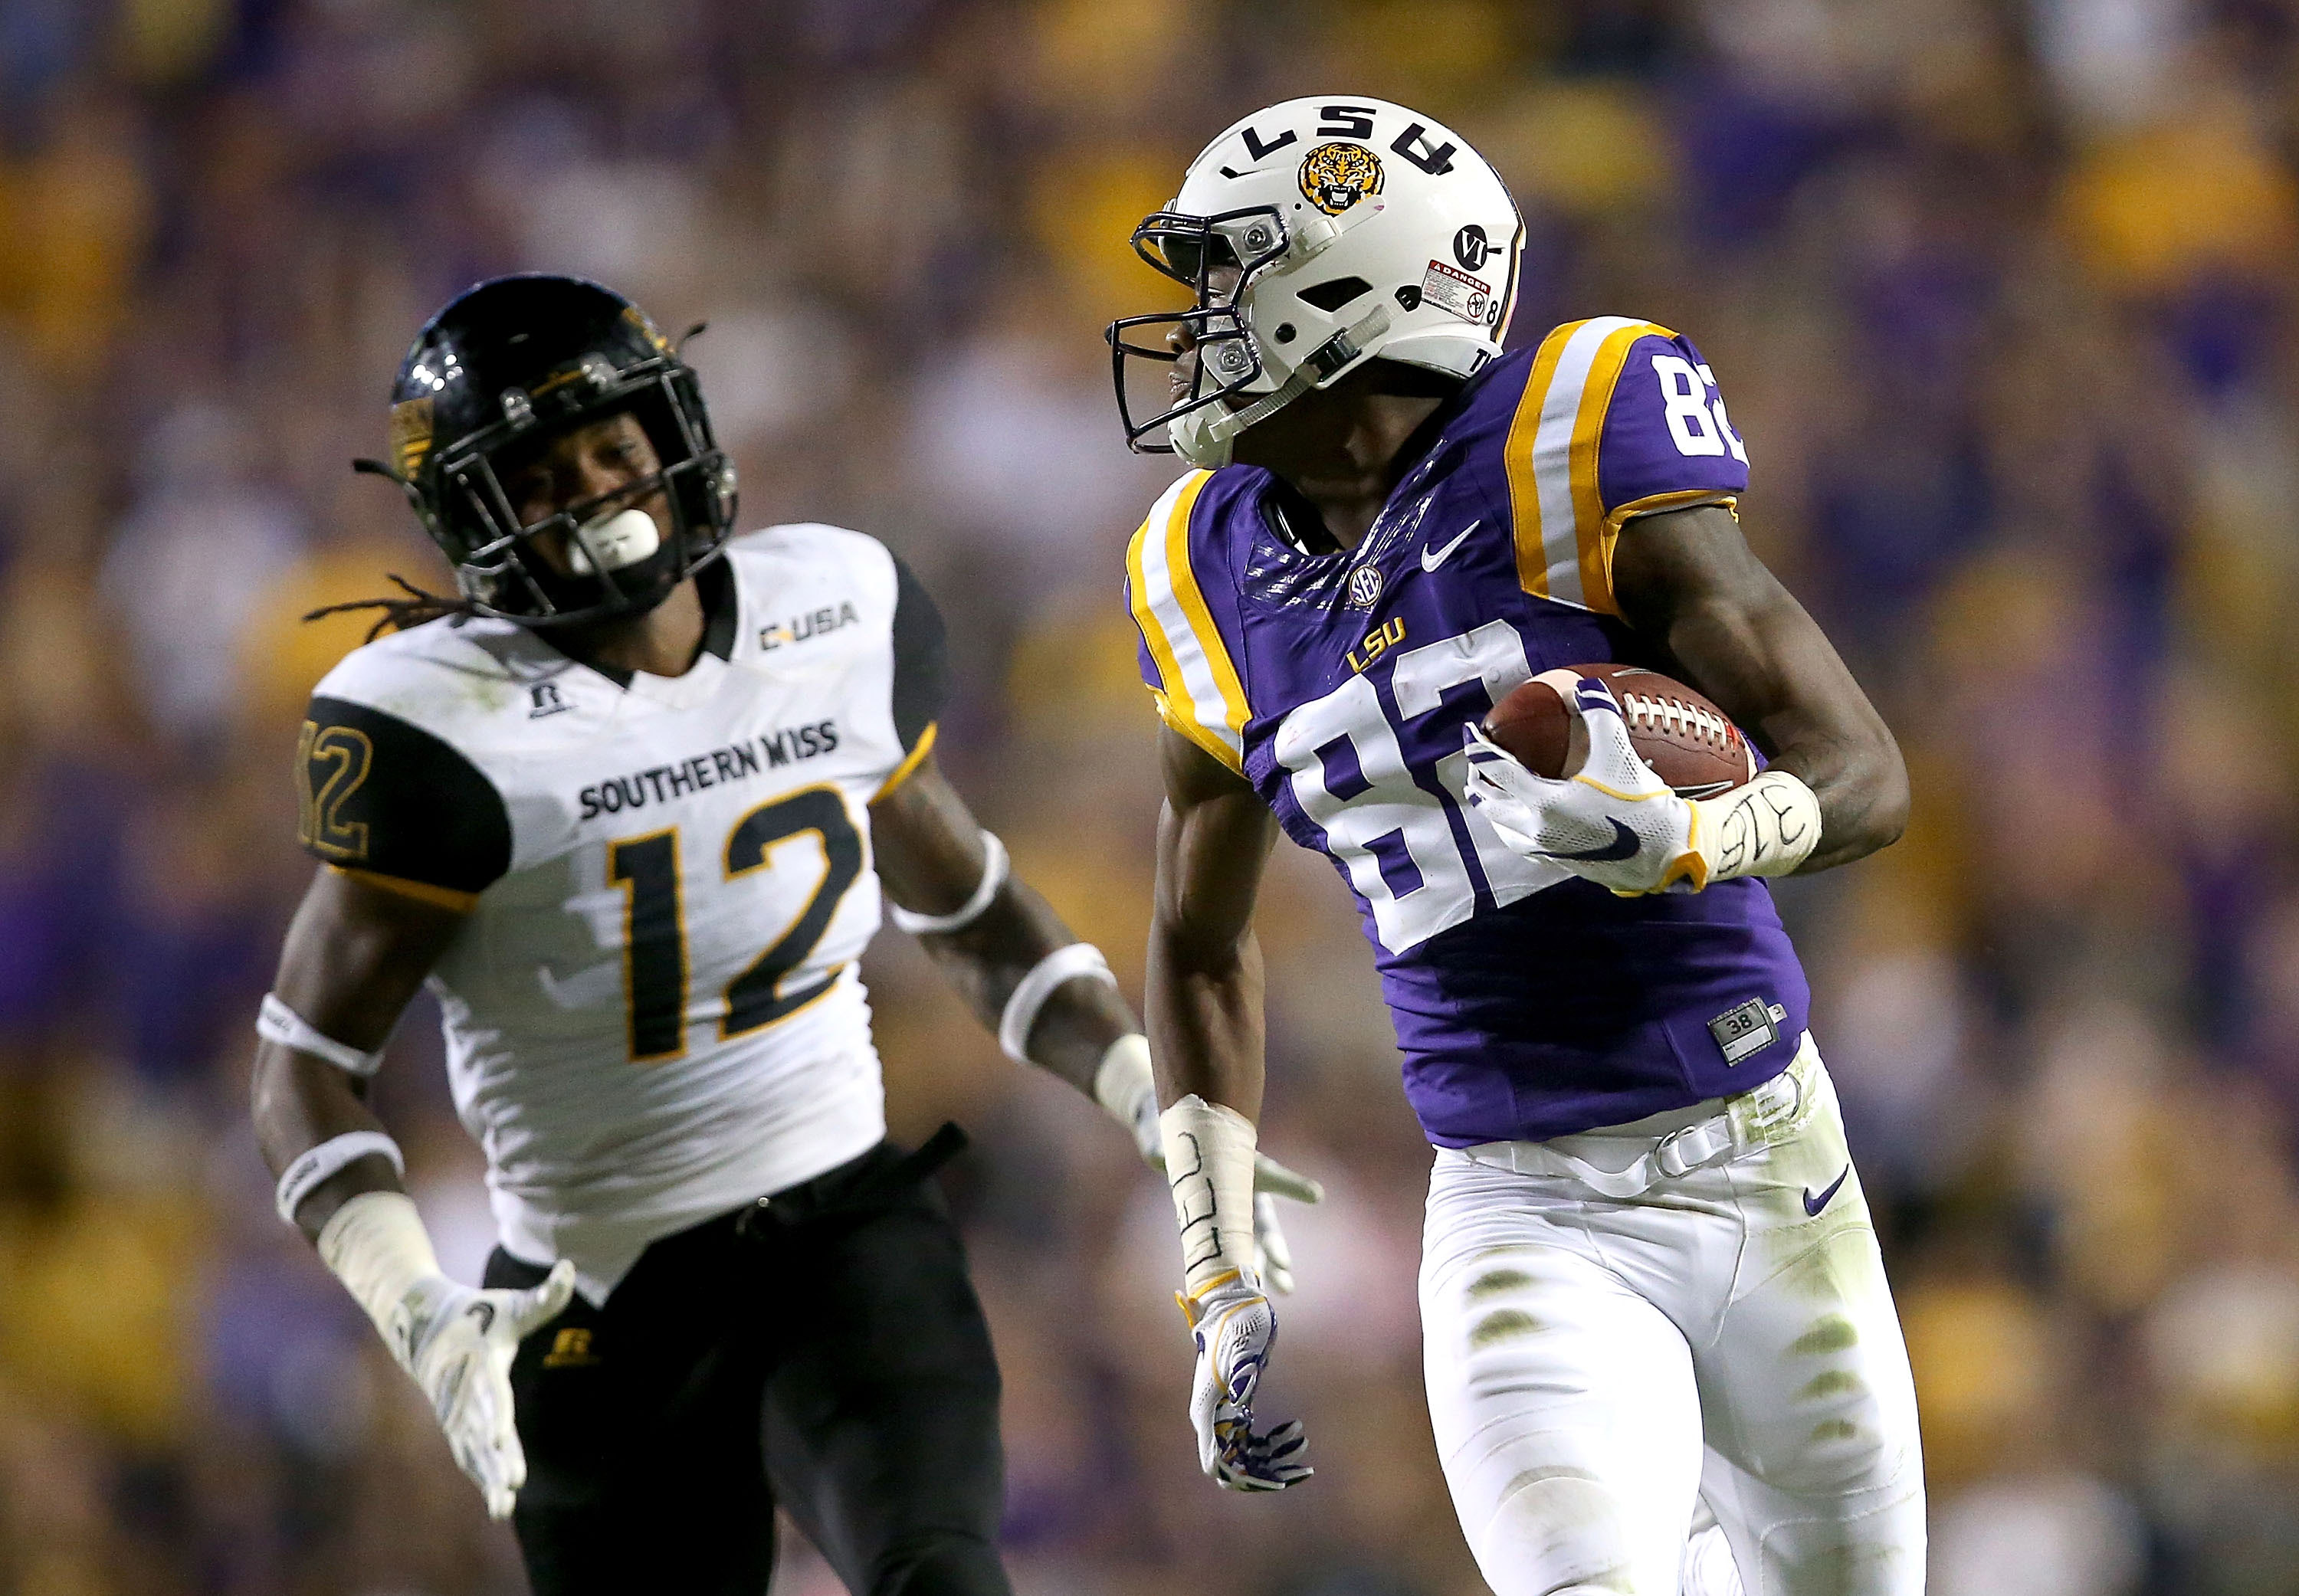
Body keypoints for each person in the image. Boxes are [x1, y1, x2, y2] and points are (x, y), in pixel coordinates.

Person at [248, 274, 1317, 1596]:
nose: (594, 493)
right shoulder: (431, 726)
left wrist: (1153, 1097)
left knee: (942, 1576)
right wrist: (413, 1301)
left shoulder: (829, 608)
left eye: (613, 449)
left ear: (673, 432)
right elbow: (304, 1064)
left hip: (840, 1236)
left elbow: (970, 911)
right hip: (591, 1293)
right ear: (473, 516)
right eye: (538, 479)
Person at [1108, 98, 1925, 1594]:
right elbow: (1195, 938)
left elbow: (1862, 771)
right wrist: (1217, 1259)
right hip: (1518, 1203)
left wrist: (1696, 836)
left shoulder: (1569, 431)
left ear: (1349, 286)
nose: (1197, 324)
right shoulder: (1194, 566)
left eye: (1230, 277)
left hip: (1767, 1161)